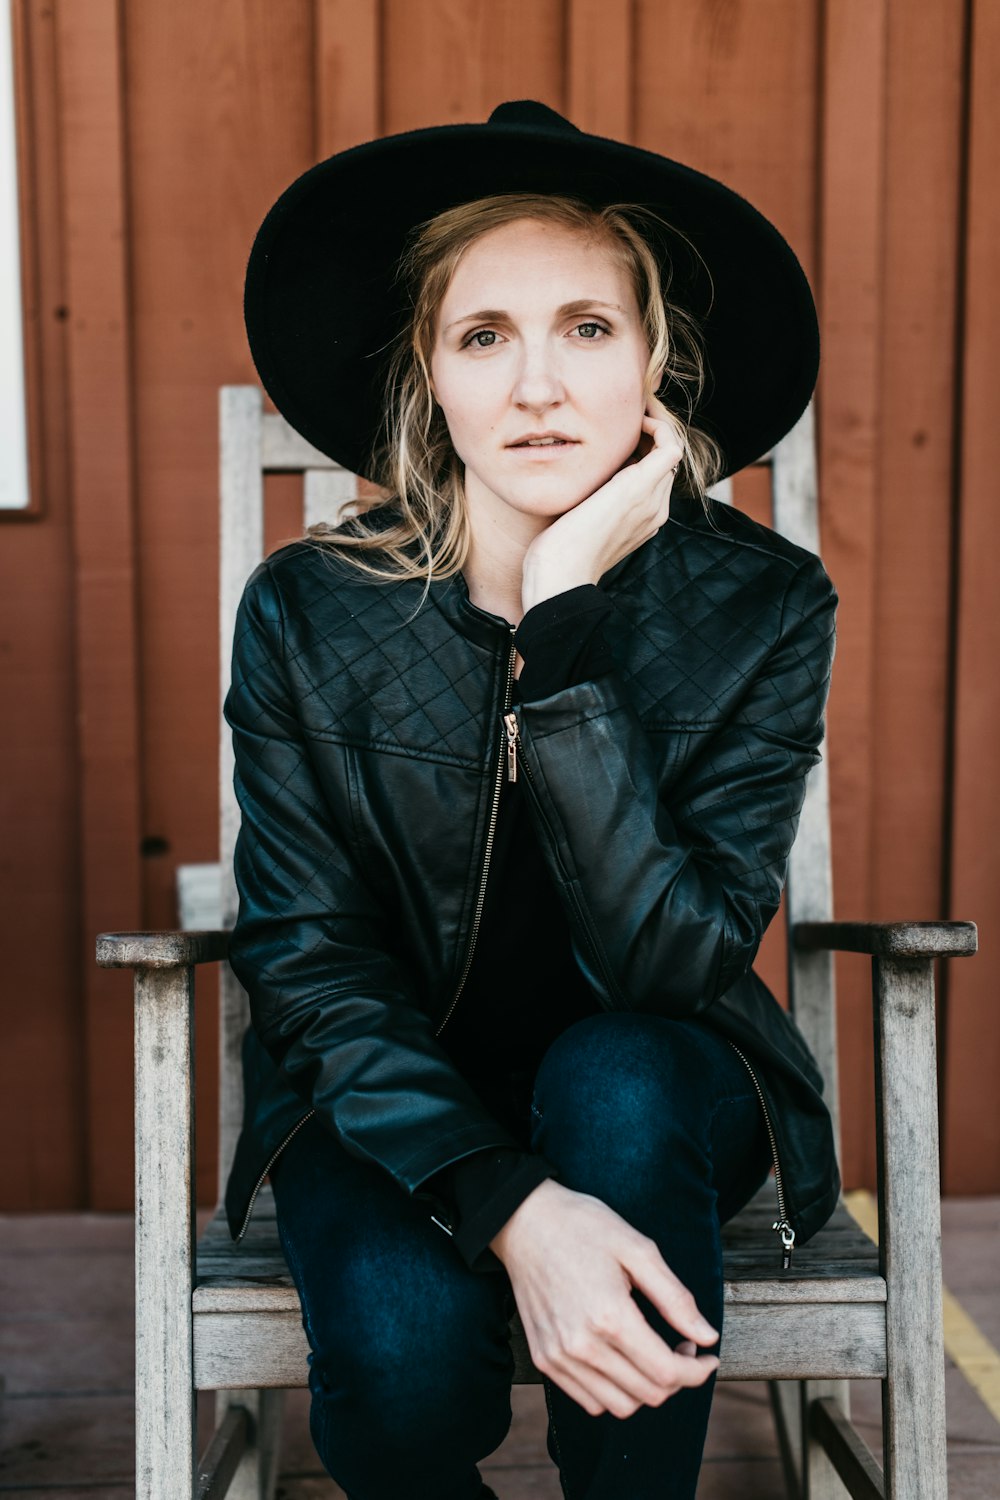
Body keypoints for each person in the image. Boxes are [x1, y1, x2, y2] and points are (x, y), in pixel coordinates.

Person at [223, 100, 841, 1500]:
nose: (538, 388)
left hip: (663, 1091)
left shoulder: (760, 608)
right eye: (484, 337)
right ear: (428, 376)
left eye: (588, 329)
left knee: (610, 1068)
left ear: (656, 363)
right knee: (402, 1355)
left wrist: (560, 627)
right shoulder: (313, 612)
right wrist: (507, 1204)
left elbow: (674, 965)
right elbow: (311, 961)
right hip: (382, 1093)